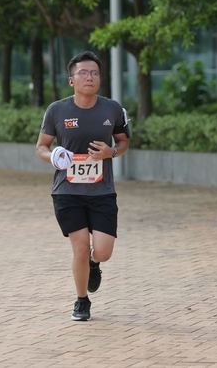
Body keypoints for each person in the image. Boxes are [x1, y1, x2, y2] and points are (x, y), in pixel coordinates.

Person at [35, 51, 130, 321]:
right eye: (84, 73)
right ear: (71, 80)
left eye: (95, 73)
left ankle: (94, 262)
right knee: (79, 247)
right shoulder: (57, 110)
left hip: (102, 191)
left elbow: (123, 142)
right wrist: (53, 156)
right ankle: (81, 301)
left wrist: (111, 152)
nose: (90, 77)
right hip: (67, 191)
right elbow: (41, 147)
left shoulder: (111, 109)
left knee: (103, 251)